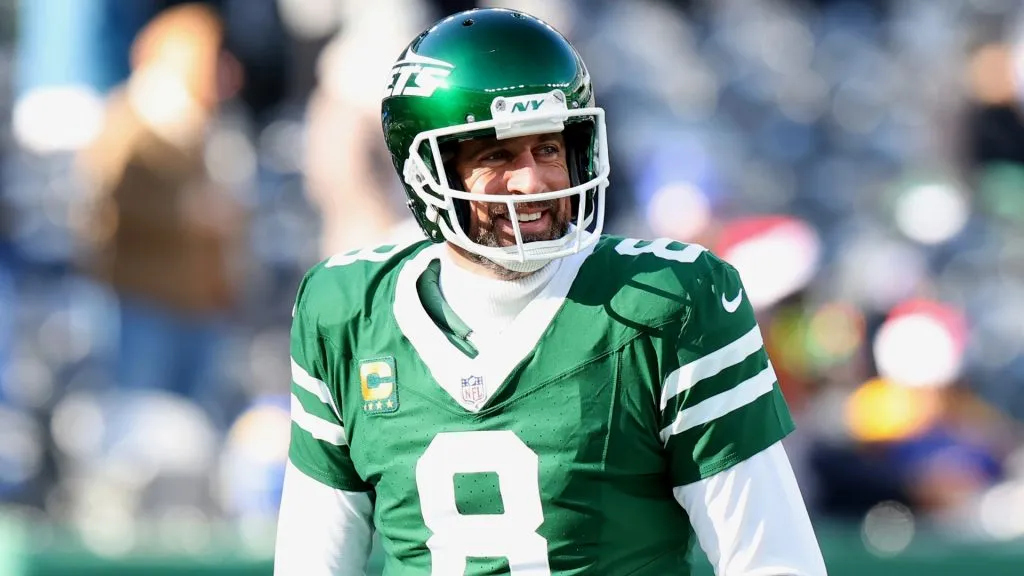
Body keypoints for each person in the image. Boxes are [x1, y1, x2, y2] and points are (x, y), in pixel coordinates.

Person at [274, 8, 827, 575]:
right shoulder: (346, 312)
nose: (534, 181)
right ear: (425, 174)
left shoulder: (670, 303)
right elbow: (312, 562)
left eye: (548, 149)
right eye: (495, 156)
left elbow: (773, 560)